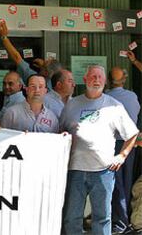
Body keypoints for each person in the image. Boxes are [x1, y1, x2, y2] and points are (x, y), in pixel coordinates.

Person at [60, 65, 139, 235]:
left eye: (100, 77)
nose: (96, 80)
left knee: (102, 217)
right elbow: (61, 130)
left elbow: (132, 134)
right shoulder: (71, 104)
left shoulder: (114, 106)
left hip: (103, 171)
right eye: (93, 76)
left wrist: (122, 155)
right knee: (71, 217)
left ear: (105, 81)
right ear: (85, 80)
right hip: (75, 169)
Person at [106, 66, 141, 234]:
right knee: (126, 183)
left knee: (115, 184)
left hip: (112, 144)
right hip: (131, 143)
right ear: (124, 79)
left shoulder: (106, 98)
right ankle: (126, 221)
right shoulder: (133, 96)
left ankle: (120, 222)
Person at [0, 19, 62, 89]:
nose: (42, 62)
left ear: (46, 73)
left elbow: (16, 57)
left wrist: (4, 37)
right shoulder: (50, 85)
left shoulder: (33, 77)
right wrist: (43, 66)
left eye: (44, 64)